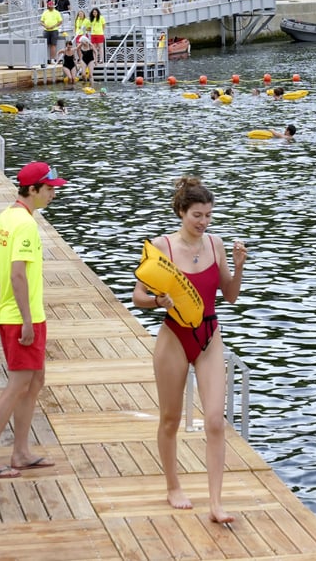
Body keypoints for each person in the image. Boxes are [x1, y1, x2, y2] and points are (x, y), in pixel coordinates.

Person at [131, 176, 246, 524]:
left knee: (214, 420)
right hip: (174, 336)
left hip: (210, 335)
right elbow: (139, 297)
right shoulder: (162, 247)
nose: (204, 222)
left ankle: (215, 503)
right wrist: (157, 301)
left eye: (209, 215)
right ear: (181, 212)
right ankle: (173, 486)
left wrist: (239, 265)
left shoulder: (216, 244)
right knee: (170, 419)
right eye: (198, 215)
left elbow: (230, 295)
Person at [0, 161, 68, 480]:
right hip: (23, 319)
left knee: (34, 382)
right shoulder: (25, 225)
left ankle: (21, 453)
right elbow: (16, 274)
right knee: (17, 386)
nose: (54, 193)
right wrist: (23, 319)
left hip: (20, 313)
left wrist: (8, 307)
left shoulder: (6, 217)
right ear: (33, 189)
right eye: (49, 188)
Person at [39, 0, 63, 64]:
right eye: (50, 5)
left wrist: (54, 26)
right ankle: (45, 59)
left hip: (54, 30)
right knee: (45, 45)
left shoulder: (57, 12)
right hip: (46, 30)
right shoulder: (45, 12)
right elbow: (41, 21)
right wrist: (45, 26)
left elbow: (60, 21)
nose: (51, 7)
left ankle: (52, 59)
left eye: (52, 5)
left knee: (53, 45)